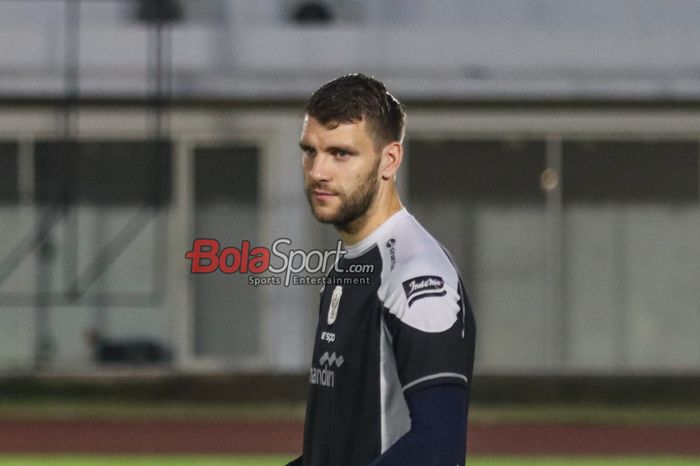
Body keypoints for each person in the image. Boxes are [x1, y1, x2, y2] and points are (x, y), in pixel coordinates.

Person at [287, 74, 476, 466]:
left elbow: (438, 446)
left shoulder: (415, 270)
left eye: (340, 154)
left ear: (389, 160)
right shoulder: (349, 265)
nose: (317, 171)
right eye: (310, 151)